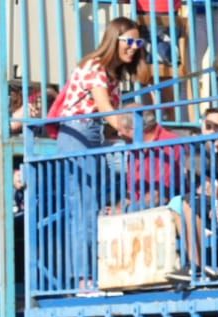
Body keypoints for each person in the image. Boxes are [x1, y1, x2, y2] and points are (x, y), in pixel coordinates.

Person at [49, 18, 152, 293]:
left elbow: (107, 118)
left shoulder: (114, 75)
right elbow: (106, 108)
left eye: (137, 42)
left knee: (98, 204)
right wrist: (128, 129)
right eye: (128, 41)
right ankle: (83, 278)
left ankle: (99, 272)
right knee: (82, 204)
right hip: (78, 133)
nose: (133, 48)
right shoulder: (95, 66)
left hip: (95, 135)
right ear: (113, 40)